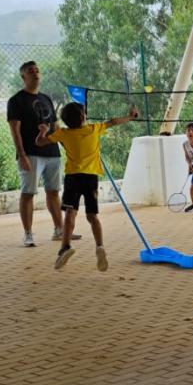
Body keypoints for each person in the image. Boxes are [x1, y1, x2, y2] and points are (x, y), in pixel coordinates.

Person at [36, 102, 138, 271]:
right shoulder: (94, 129)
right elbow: (113, 122)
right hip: (91, 178)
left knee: (70, 214)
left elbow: (40, 142)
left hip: (72, 178)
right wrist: (130, 116)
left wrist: (43, 131)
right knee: (93, 216)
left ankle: (66, 247)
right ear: (83, 117)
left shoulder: (63, 133)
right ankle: (100, 247)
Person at [6, 60, 72, 248]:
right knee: (28, 193)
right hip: (31, 153)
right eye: (30, 71)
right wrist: (22, 155)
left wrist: (66, 145)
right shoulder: (16, 101)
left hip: (52, 152)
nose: (35, 73)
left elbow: (54, 126)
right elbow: (15, 130)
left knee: (54, 192)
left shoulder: (46, 98)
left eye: (37, 70)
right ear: (23, 76)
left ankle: (59, 230)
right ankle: (28, 234)